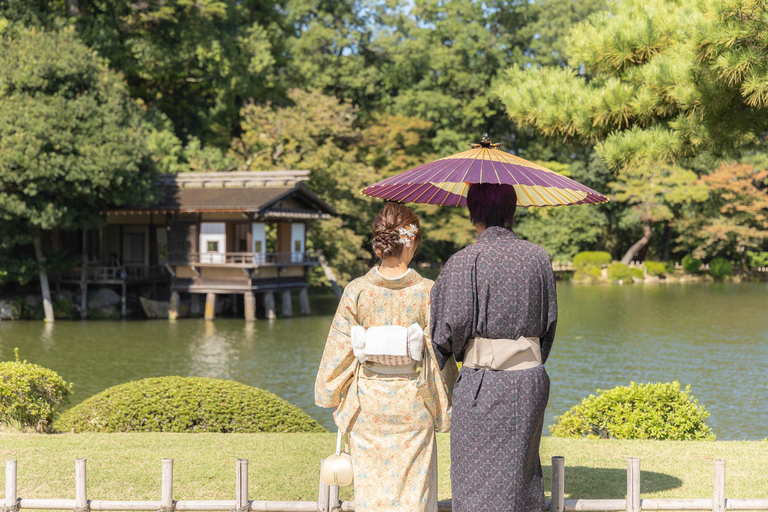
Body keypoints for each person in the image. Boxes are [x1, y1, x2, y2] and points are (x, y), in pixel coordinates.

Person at [315, 202, 458, 512]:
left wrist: (331, 392)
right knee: (414, 495)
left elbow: (339, 347)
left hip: (370, 403)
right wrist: (451, 390)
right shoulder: (427, 291)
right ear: (412, 241)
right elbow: (437, 350)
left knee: (371, 495)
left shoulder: (357, 290)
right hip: (413, 402)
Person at [430, 184, 557, 512]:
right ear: (511, 211)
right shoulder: (539, 258)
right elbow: (549, 323)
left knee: (475, 477)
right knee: (522, 477)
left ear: (474, 214)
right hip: (529, 379)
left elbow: (446, 329)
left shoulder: (463, 262)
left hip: (483, 383)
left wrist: (462, 352)